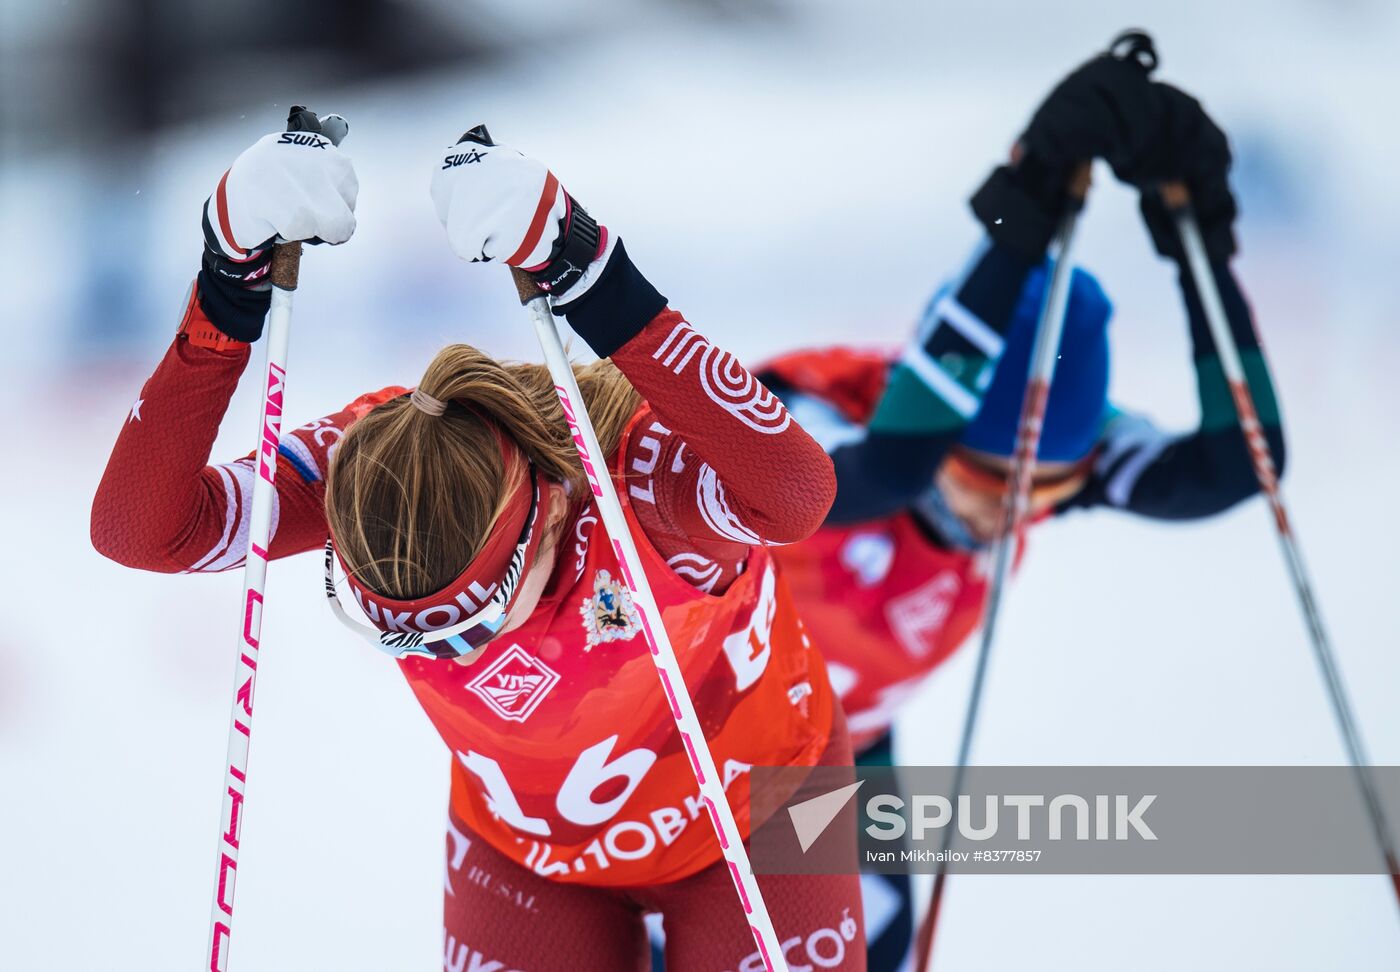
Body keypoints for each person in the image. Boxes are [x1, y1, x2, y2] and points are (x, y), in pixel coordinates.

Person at [91, 112, 867, 971]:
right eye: (402, 633)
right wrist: (224, 293)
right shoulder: (371, 463)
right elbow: (142, 531)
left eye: (474, 621)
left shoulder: (636, 490)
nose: (457, 656)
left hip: (766, 813)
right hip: (525, 851)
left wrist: (588, 272)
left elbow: (798, 493)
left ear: (548, 519)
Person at [757, 39, 1286, 971]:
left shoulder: (1040, 460)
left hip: (835, 754)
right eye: (987, 479)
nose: (1011, 513)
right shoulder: (815, 416)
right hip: (677, 749)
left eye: (1051, 490)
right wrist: (1024, 203)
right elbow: (888, 470)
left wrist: (1197, 239)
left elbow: (1239, 464)